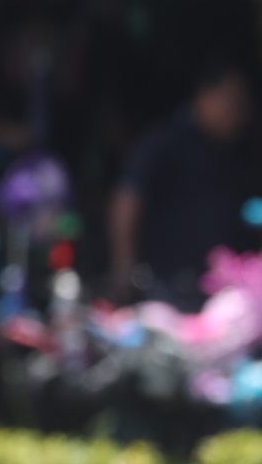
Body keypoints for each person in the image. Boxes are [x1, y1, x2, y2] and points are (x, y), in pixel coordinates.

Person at [110, 61, 258, 308]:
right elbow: (128, 199)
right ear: (206, 96)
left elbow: (249, 209)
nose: (239, 115)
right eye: (233, 103)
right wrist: (124, 267)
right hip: (167, 289)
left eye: (243, 106)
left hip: (221, 292)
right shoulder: (166, 142)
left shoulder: (236, 151)